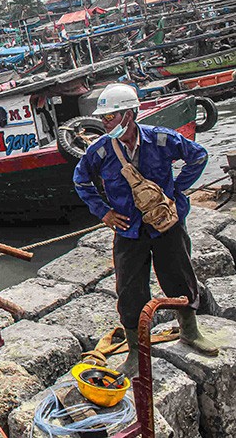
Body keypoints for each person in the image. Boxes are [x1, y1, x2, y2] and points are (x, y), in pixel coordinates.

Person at [73, 84, 218, 376]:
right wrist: (104, 212)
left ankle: (189, 331)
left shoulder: (160, 139)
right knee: (129, 290)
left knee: (179, 276)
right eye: (103, 118)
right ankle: (136, 353)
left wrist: (177, 192)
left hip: (166, 225)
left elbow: (198, 156)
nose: (105, 123)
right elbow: (81, 181)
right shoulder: (100, 151)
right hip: (128, 231)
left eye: (110, 117)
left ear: (129, 115)